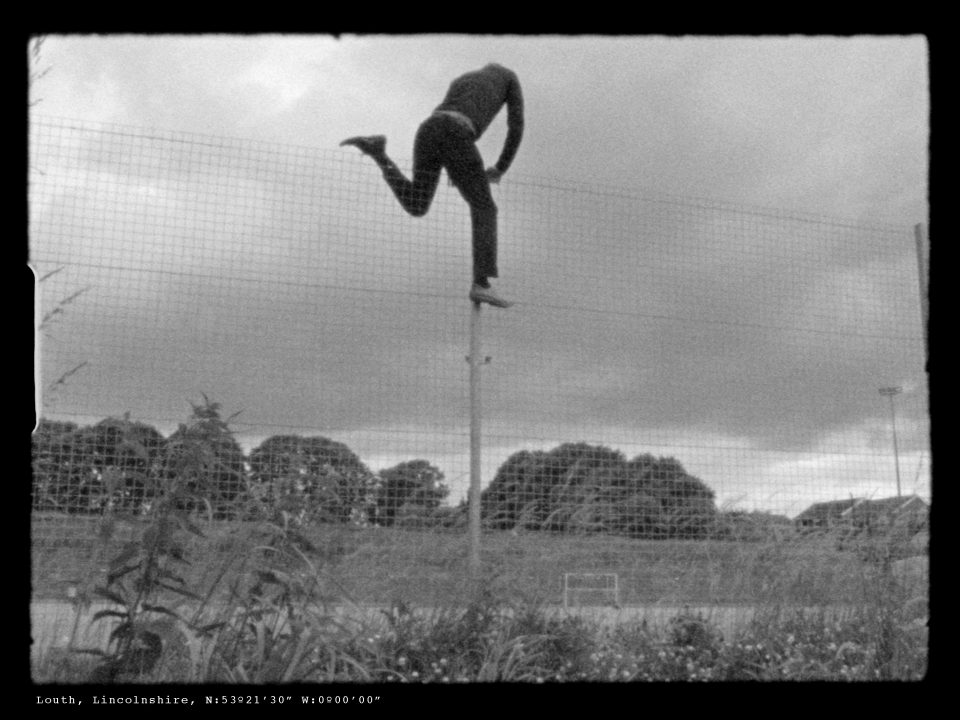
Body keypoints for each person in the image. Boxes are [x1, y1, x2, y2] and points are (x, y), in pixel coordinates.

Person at [341, 63, 524, 308]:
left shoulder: (462, 78)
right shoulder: (510, 79)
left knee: (417, 204)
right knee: (485, 207)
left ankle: (378, 153)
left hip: (428, 130)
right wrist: (501, 167)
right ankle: (482, 283)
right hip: (456, 133)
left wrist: (455, 165)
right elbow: (516, 126)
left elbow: (447, 116)